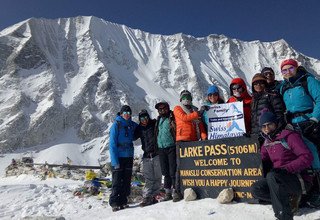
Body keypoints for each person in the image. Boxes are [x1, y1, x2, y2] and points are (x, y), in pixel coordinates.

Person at [251, 111, 313, 220]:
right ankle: (289, 201)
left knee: (272, 176)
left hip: (298, 178)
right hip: (279, 180)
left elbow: (307, 157)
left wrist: (286, 169)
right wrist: (248, 141)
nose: (266, 128)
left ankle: (284, 216)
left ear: (275, 124)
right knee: (257, 188)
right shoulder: (267, 142)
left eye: (269, 124)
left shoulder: (289, 136)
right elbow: (262, 159)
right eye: (263, 126)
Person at [173, 90, 207, 202]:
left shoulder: (194, 110)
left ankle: (196, 189)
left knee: (194, 166)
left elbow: (200, 125)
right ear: (180, 99)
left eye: (188, 97)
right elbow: (184, 118)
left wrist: (204, 137)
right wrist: (198, 113)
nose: (186, 99)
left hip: (194, 141)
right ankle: (177, 191)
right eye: (184, 97)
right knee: (180, 167)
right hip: (182, 141)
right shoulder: (178, 109)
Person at [279, 59, 320, 151]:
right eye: (284, 70)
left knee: (314, 153)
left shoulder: (307, 80)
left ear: (297, 68)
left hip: (310, 122)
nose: (288, 72)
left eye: (291, 68)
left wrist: (314, 119)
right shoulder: (283, 87)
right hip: (293, 126)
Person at [109, 105, 138, 212]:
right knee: (117, 181)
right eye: (125, 113)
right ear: (121, 114)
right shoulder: (116, 125)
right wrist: (114, 161)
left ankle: (123, 201)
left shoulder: (131, 124)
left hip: (129, 156)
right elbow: (112, 144)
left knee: (126, 180)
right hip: (119, 157)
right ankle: (114, 202)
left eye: (129, 113)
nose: (127, 115)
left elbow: (140, 128)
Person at [134, 109, 162, 207]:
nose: (144, 120)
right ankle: (147, 197)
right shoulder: (139, 128)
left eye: (146, 117)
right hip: (146, 156)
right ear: (139, 119)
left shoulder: (153, 124)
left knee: (158, 177)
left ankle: (154, 196)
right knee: (149, 178)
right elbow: (133, 137)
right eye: (142, 118)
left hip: (156, 154)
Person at [250, 73, 286, 138]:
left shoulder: (272, 95)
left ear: (265, 84)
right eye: (255, 83)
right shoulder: (253, 100)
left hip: (270, 132)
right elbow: (253, 120)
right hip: (256, 135)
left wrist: (276, 131)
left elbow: (279, 114)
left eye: (261, 83)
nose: (258, 85)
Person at [155, 101, 177, 201]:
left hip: (171, 146)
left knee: (173, 170)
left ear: (168, 108)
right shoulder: (158, 119)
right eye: (160, 109)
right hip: (161, 148)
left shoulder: (172, 117)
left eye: (164, 108)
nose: (162, 110)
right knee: (165, 171)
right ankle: (168, 192)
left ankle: (176, 190)